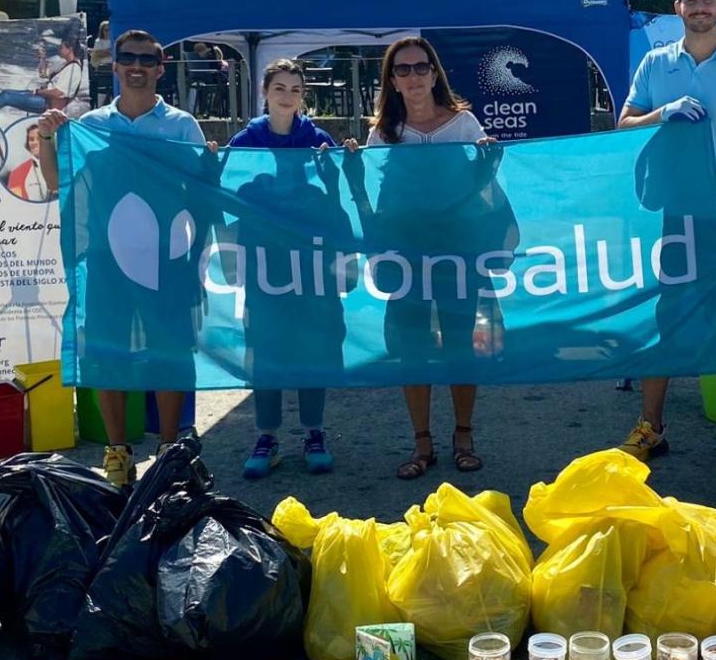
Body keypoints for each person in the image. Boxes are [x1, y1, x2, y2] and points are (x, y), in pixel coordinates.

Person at [37, 29, 211, 488]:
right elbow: (58, 182)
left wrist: (197, 255)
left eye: (146, 59)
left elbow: (204, 190)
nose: (137, 66)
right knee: (106, 353)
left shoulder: (181, 125)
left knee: (170, 351)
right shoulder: (91, 126)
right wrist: (46, 139)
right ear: (113, 67)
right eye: (127, 58)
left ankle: (170, 450)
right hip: (105, 258)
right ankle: (117, 453)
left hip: (168, 258)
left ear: (160, 68)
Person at [615, 0, 716, 472]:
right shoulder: (656, 65)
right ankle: (651, 427)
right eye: (690, 0)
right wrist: (661, 114)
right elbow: (624, 125)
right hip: (672, 211)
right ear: (677, 8)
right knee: (665, 317)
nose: (699, 7)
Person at [343, 37, 499, 480]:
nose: (413, 76)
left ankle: (464, 436)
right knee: (410, 346)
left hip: (457, 250)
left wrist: (489, 165)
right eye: (403, 69)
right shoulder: (382, 133)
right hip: (406, 252)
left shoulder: (464, 124)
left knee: (458, 341)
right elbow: (375, 195)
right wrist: (350, 167)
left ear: (435, 73)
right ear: (391, 80)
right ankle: (422, 443)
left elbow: (481, 192)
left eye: (420, 67)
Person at [228, 59, 341, 479]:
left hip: (310, 264)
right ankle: (267, 436)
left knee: (314, 346)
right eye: (280, 87)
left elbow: (336, 197)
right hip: (265, 264)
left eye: (295, 88)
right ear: (265, 91)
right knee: (267, 348)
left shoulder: (317, 139)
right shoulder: (247, 140)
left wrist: (340, 164)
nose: (287, 95)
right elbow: (227, 193)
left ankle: (314, 432)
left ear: (302, 95)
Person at [0, 38, 89, 115]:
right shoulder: (64, 65)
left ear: (69, 49)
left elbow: (59, 93)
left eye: (61, 47)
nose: (59, 50)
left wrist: (38, 92)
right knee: (6, 92)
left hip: (47, 103)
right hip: (43, 98)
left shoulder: (74, 69)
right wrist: (42, 58)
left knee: (6, 96)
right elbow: (43, 74)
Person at [5, 123, 52, 202]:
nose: (35, 142)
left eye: (39, 138)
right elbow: (14, 203)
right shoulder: (17, 173)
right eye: (31, 139)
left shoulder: (63, 166)